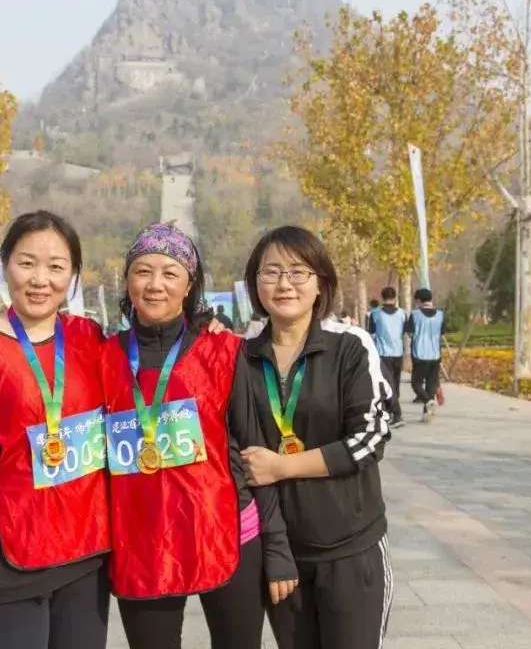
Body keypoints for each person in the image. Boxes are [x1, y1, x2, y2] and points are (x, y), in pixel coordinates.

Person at [100, 222, 298, 649]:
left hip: (224, 532)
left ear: (189, 285)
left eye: (170, 273)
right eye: (143, 271)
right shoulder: (103, 357)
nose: (155, 285)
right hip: (142, 541)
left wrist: (277, 547)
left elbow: (256, 451)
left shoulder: (223, 351)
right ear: (127, 280)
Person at [0, 211, 111, 649]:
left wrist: (203, 326)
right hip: (9, 559)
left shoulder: (90, 337)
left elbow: (156, 357)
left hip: (87, 557)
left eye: (56, 266)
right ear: (5, 265)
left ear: (72, 275)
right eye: (27, 263)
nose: (40, 279)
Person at [235, 225, 393, 649]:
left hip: (350, 548)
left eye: (298, 272)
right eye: (271, 272)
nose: (284, 284)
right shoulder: (240, 357)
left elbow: (370, 437)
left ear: (320, 281)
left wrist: (282, 466)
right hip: (283, 555)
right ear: (255, 283)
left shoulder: (350, 346)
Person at [368, 287, 407, 428]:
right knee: (395, 383)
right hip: (398, 352)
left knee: (386, 384)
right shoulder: (402, 313)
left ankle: (396, 414)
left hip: (383, 353)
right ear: (395, 297)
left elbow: (371, 332)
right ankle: (393, 412)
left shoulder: (375, 313)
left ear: (382, 297)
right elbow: (404, 331)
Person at [404, 288, 443, 424]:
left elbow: (409, 333)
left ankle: (428, 402)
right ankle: (427, 414)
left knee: (416, 384)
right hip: (435, 354)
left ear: (419, 300)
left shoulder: (415, 315)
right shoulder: (440, 314)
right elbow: (442, 332)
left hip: (420, 354)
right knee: (431, 384)